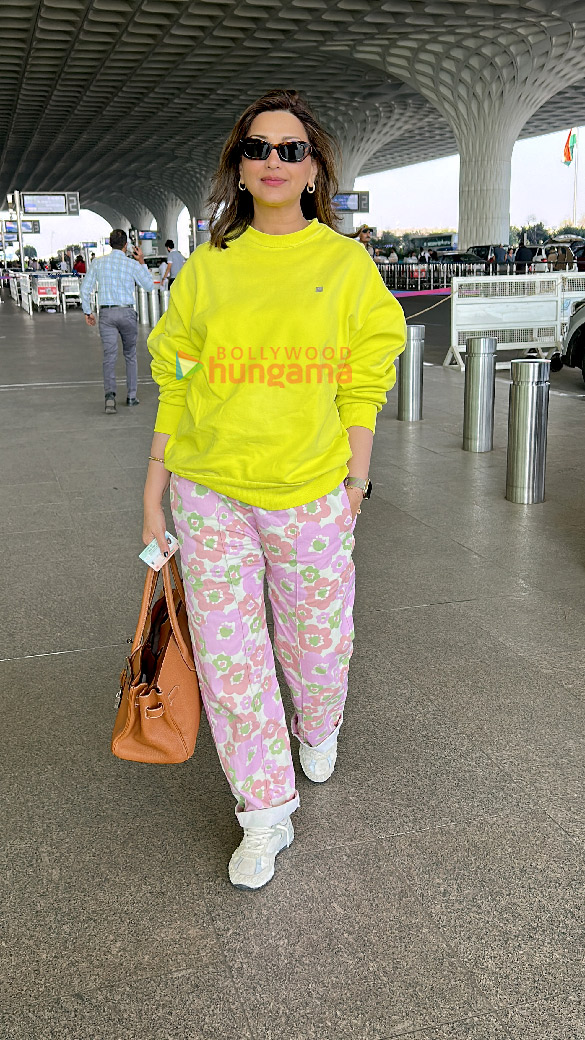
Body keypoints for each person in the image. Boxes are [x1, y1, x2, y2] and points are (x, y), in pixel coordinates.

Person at [143, 88, 406, 891]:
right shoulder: (211, 268)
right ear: (238, 165)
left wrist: (356, 479)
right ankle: (264, 813)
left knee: (316, 645)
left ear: (315, 166)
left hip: (310, 493)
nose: (273, 161)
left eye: (290, 149)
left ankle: (318, 722)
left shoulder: (342, 263)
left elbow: (366, 373)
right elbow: (177, 373)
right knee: (229, 661)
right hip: (209, 490)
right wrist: (155, 484)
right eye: (257, 148)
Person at [80, 228, 154, 413]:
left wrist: (88, 311)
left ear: (109, 243)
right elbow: (149, 285)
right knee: (130, 355)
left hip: (107, 315)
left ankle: (110, 398)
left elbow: (85, 289)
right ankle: (131, 396)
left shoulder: (98, 263)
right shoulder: (131, 264)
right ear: (126, 245)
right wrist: (141, 261)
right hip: (127, 313)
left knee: (109, 356)